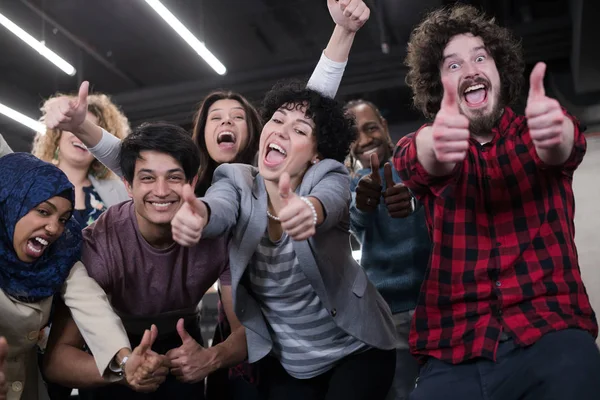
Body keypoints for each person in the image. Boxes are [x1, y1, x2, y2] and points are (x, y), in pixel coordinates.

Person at [393, 4, 600, 400]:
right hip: (455, 351)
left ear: (498, 71)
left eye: (479, 57)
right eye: (452, 66)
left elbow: (564, 145)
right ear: (439, 87)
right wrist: (433, 144)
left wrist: (556, 133)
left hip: (551, 335)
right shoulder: (434, 142)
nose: (469, 69)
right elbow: (413, 159)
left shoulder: (536, 135)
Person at [171, 81, 398, 400]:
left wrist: (309, 209)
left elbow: (332, 199)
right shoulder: (236, 180)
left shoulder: (328, 175)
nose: (280, 131)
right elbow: (220, 206)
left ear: (317, 154)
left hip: (358, 348)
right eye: (276, 121)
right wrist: (201, 215)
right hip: (290, 365)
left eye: (300, 130)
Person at [41, 124, 241, 400]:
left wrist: (212, 357)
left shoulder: (217, 235)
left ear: (192, 184)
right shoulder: (100, 244)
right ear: (128, 185)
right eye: (147, 178)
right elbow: (57, 361)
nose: (160, 191)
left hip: (182, 345)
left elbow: (248, 331)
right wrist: (124, 370)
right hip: (114, 346)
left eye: (173, 178)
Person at [0, 153, 166, 400]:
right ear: (10, 205)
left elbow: (92, 306)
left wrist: (126, 359)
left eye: (63, 219)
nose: (54, 228)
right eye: (44, 211)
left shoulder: (59, 259)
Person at [346, 99, 431, 400]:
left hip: (435, 305)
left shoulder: (417, 167)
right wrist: (363, 203)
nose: (365, 140)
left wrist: (412, 198)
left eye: (371, 128)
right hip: (386, 316)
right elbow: (356, 220)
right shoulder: (352, 185)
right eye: (355, 135)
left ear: (384, 125)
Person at [33, 93, 130, 228]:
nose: (80, 138)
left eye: (86, 132)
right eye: (75, 128)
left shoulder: (120, 191)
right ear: (58, 133)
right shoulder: (31, 179)